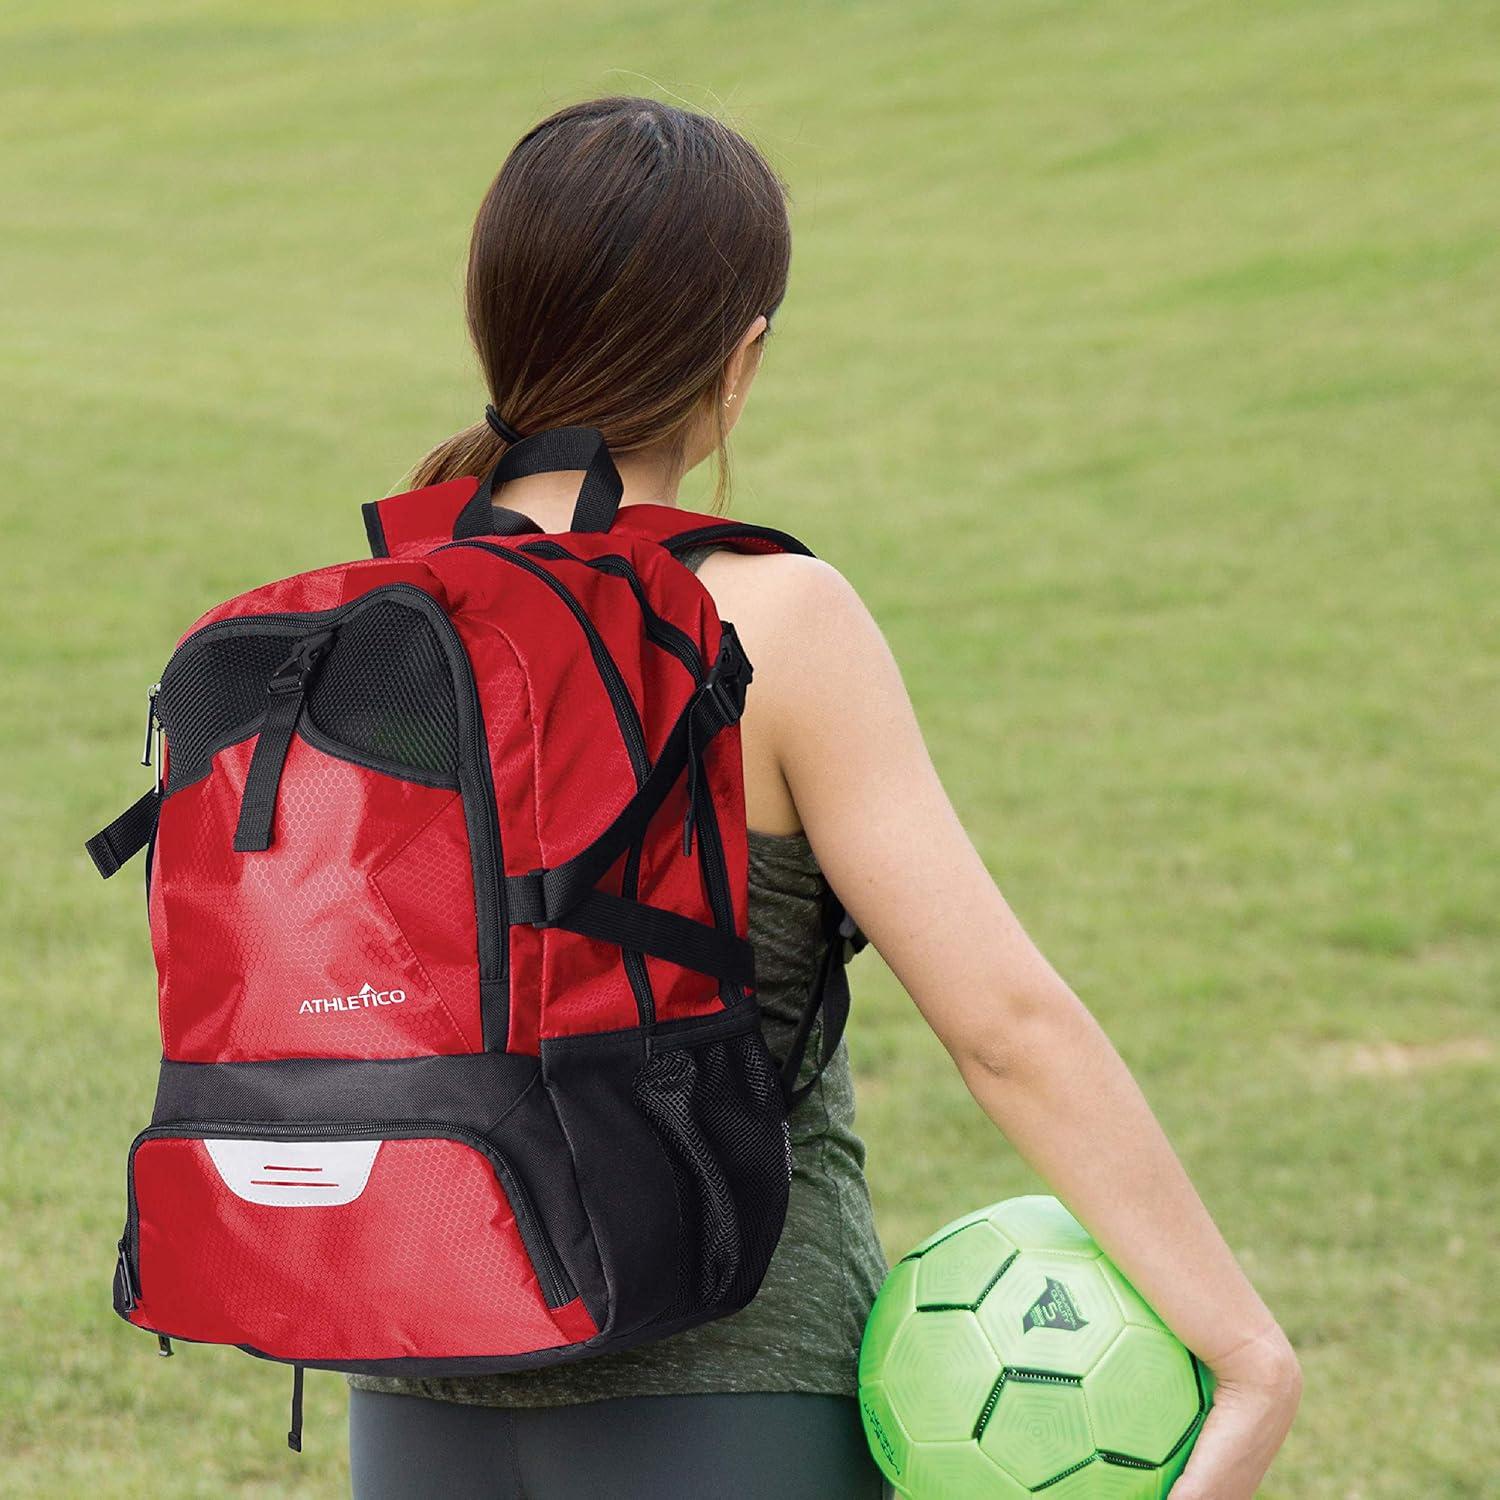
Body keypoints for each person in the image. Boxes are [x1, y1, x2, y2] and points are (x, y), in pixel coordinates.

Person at [347, 95, 1301, 1500]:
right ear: (740, 364)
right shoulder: (776, 622)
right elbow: (1004, 1027)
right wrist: (1249, 1351)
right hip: (733, 1387)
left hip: (417, 1383)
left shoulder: (380, 617)